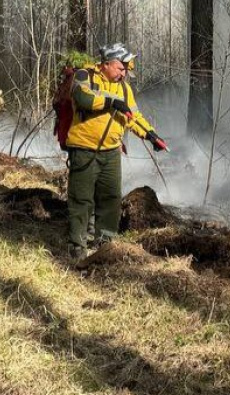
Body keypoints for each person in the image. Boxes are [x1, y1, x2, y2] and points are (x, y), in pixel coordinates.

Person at [65, 43, 167, 261]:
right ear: (107, 63)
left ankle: (105, 247)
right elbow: (83, 99)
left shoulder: (124, 89)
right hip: (84, 149)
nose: (124, 73)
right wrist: (111, 102)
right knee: (82, 200)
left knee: (110, 200)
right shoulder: (85, 75)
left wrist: (151, 136)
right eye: (121, 68)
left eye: (126, 70)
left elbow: (134, 117)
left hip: (111, 153)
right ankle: (77, 249)